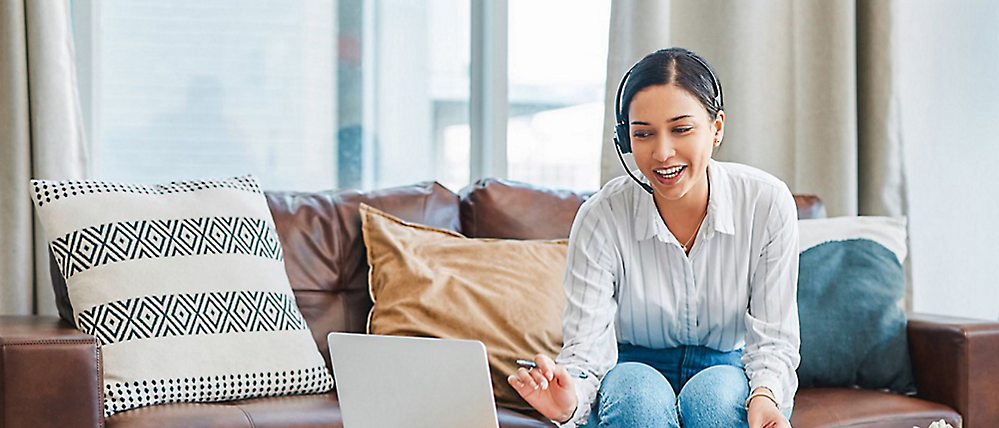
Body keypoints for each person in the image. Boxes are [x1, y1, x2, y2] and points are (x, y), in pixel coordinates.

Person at [507, 47, 800, 428]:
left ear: (717, 128)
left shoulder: (767, 203)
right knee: (637, 397)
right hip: (632, 368)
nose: (662, 153)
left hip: (728, 367)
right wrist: (570, 401)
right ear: (625, 140)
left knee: (716, 399)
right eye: (643, 134)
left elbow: (774, 340)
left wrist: (764, 395)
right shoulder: (601, 215)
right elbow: (586, 349)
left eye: (681, 129)